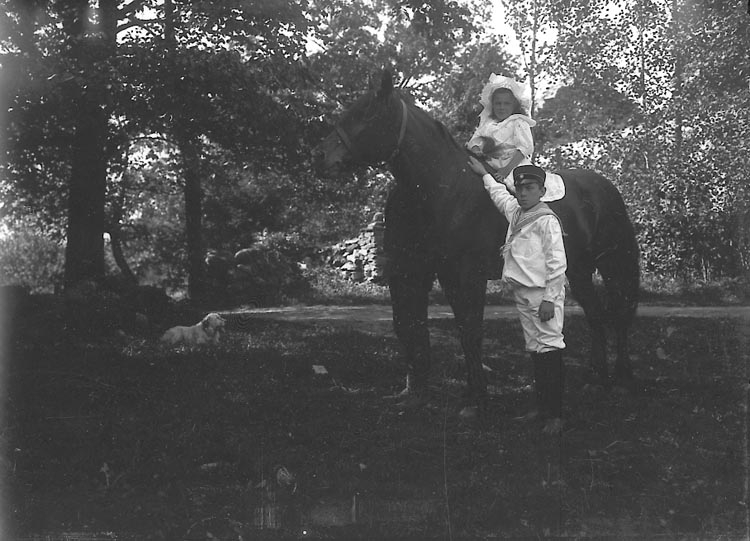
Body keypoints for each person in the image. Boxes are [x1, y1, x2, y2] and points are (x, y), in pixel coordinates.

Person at [468, 158, 567, 435]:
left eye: (530, 188)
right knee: (536, 349)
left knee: (549, 349)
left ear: (542, 191)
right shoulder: (516, 212)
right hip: (523, 292)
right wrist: (485, 174)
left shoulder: (546, 220)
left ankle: (555, 415)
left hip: (542, 295)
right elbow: (500, 195)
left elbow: (557, 263)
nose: (523, 193)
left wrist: (550, 299)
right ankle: (542, 408)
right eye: (520, 188)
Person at [466, 74, 536, 194]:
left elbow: (525, 147)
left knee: (519, 190)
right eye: (498, 103)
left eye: (506, 103)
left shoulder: (518, 122)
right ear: (492, 105)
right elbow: (475, 141)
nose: (502, 107)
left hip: (512, 165)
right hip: (488, 162)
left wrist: (506, 170)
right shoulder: (488, 124)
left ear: (514, 105)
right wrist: (476, 150)